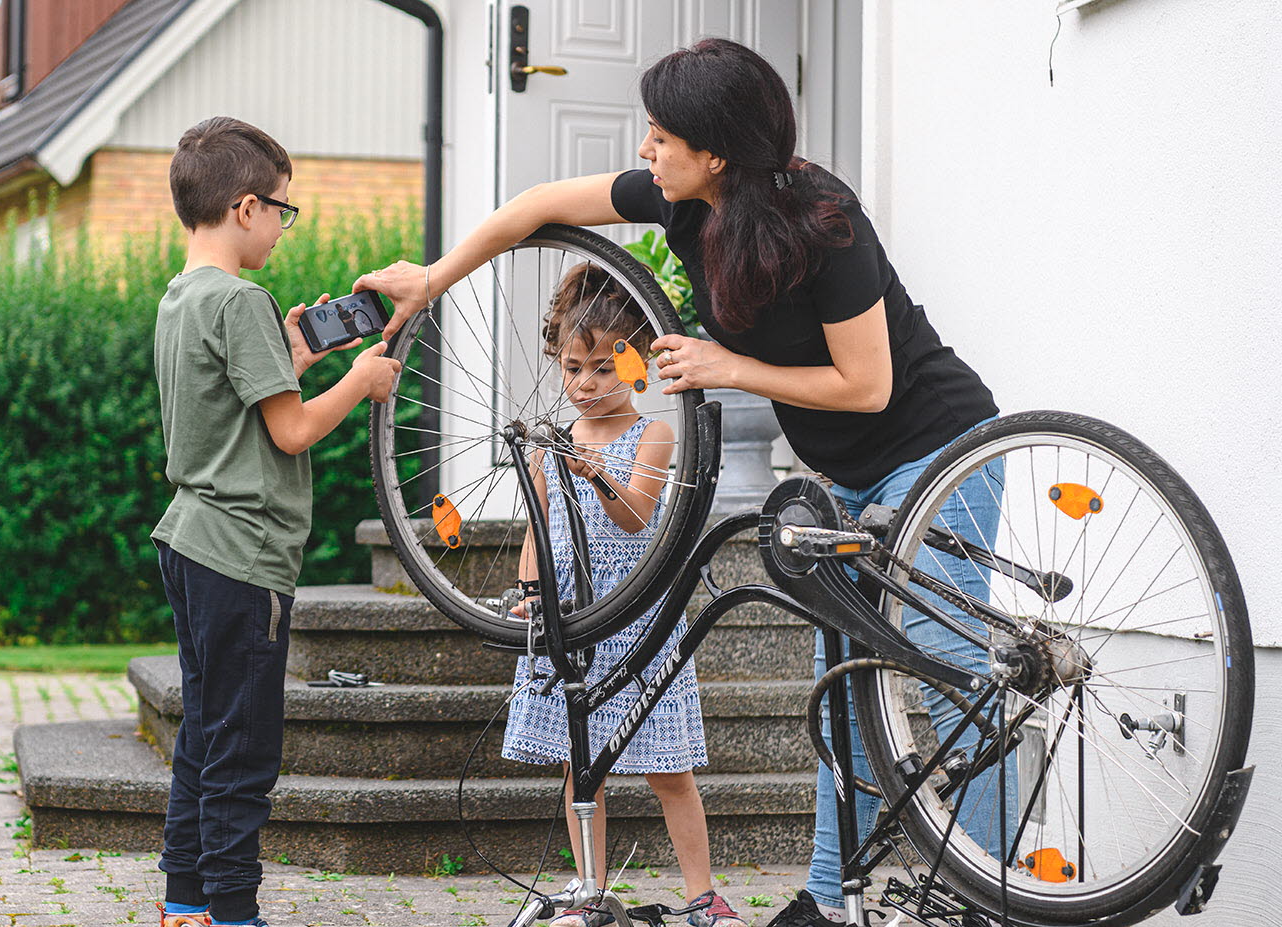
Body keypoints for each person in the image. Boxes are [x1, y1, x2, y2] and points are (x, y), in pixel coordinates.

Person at [353, 38, 1007, 927]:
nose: (643, 151)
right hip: (844, 477)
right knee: (843, 687)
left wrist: (729, 365)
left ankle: (996, 897)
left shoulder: (826, 220)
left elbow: (870, 385)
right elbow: (535, 207)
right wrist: (431, 279)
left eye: (660, 136)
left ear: (717, 152)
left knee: (953, 676)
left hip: (941, 446)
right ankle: (824, 894)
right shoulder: (682, 204)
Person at [149, 116, 402, 927]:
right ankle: (233, 911)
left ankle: (185, 900)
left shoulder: (182, 297)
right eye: (283, 212)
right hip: (241, 552)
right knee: (243, 748)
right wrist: (360, 380)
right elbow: (291, 432)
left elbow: (239, 408)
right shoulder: (243, 297)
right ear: (247, 206)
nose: (283, 230)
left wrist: (292, 360)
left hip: (189, 541)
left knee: (204, 731)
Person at [500, 264, 747, 927]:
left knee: (668, 769)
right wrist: (531, 592)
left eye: (604, 370)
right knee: (581, 765)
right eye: (573, 367)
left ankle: (704, 895)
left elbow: (637, 515)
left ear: (636, 367)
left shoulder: (654, 434)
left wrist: (601, 473)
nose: (584, 384)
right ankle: (588, 891)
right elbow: (540, 527)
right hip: (573, 616)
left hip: (637, 616)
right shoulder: (551, 446)